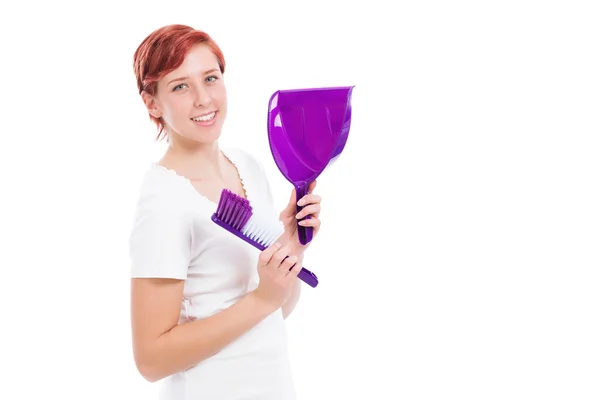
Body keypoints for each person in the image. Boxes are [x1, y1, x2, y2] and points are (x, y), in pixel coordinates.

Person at [127, 24, 323, 400]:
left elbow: (272, 317)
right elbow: (150, 360)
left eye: (210, 78)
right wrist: (262, 299)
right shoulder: (163, 200)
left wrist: (291, 253)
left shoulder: (246, 166)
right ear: (152, 103)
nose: (203, 99)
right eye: (180, 86)